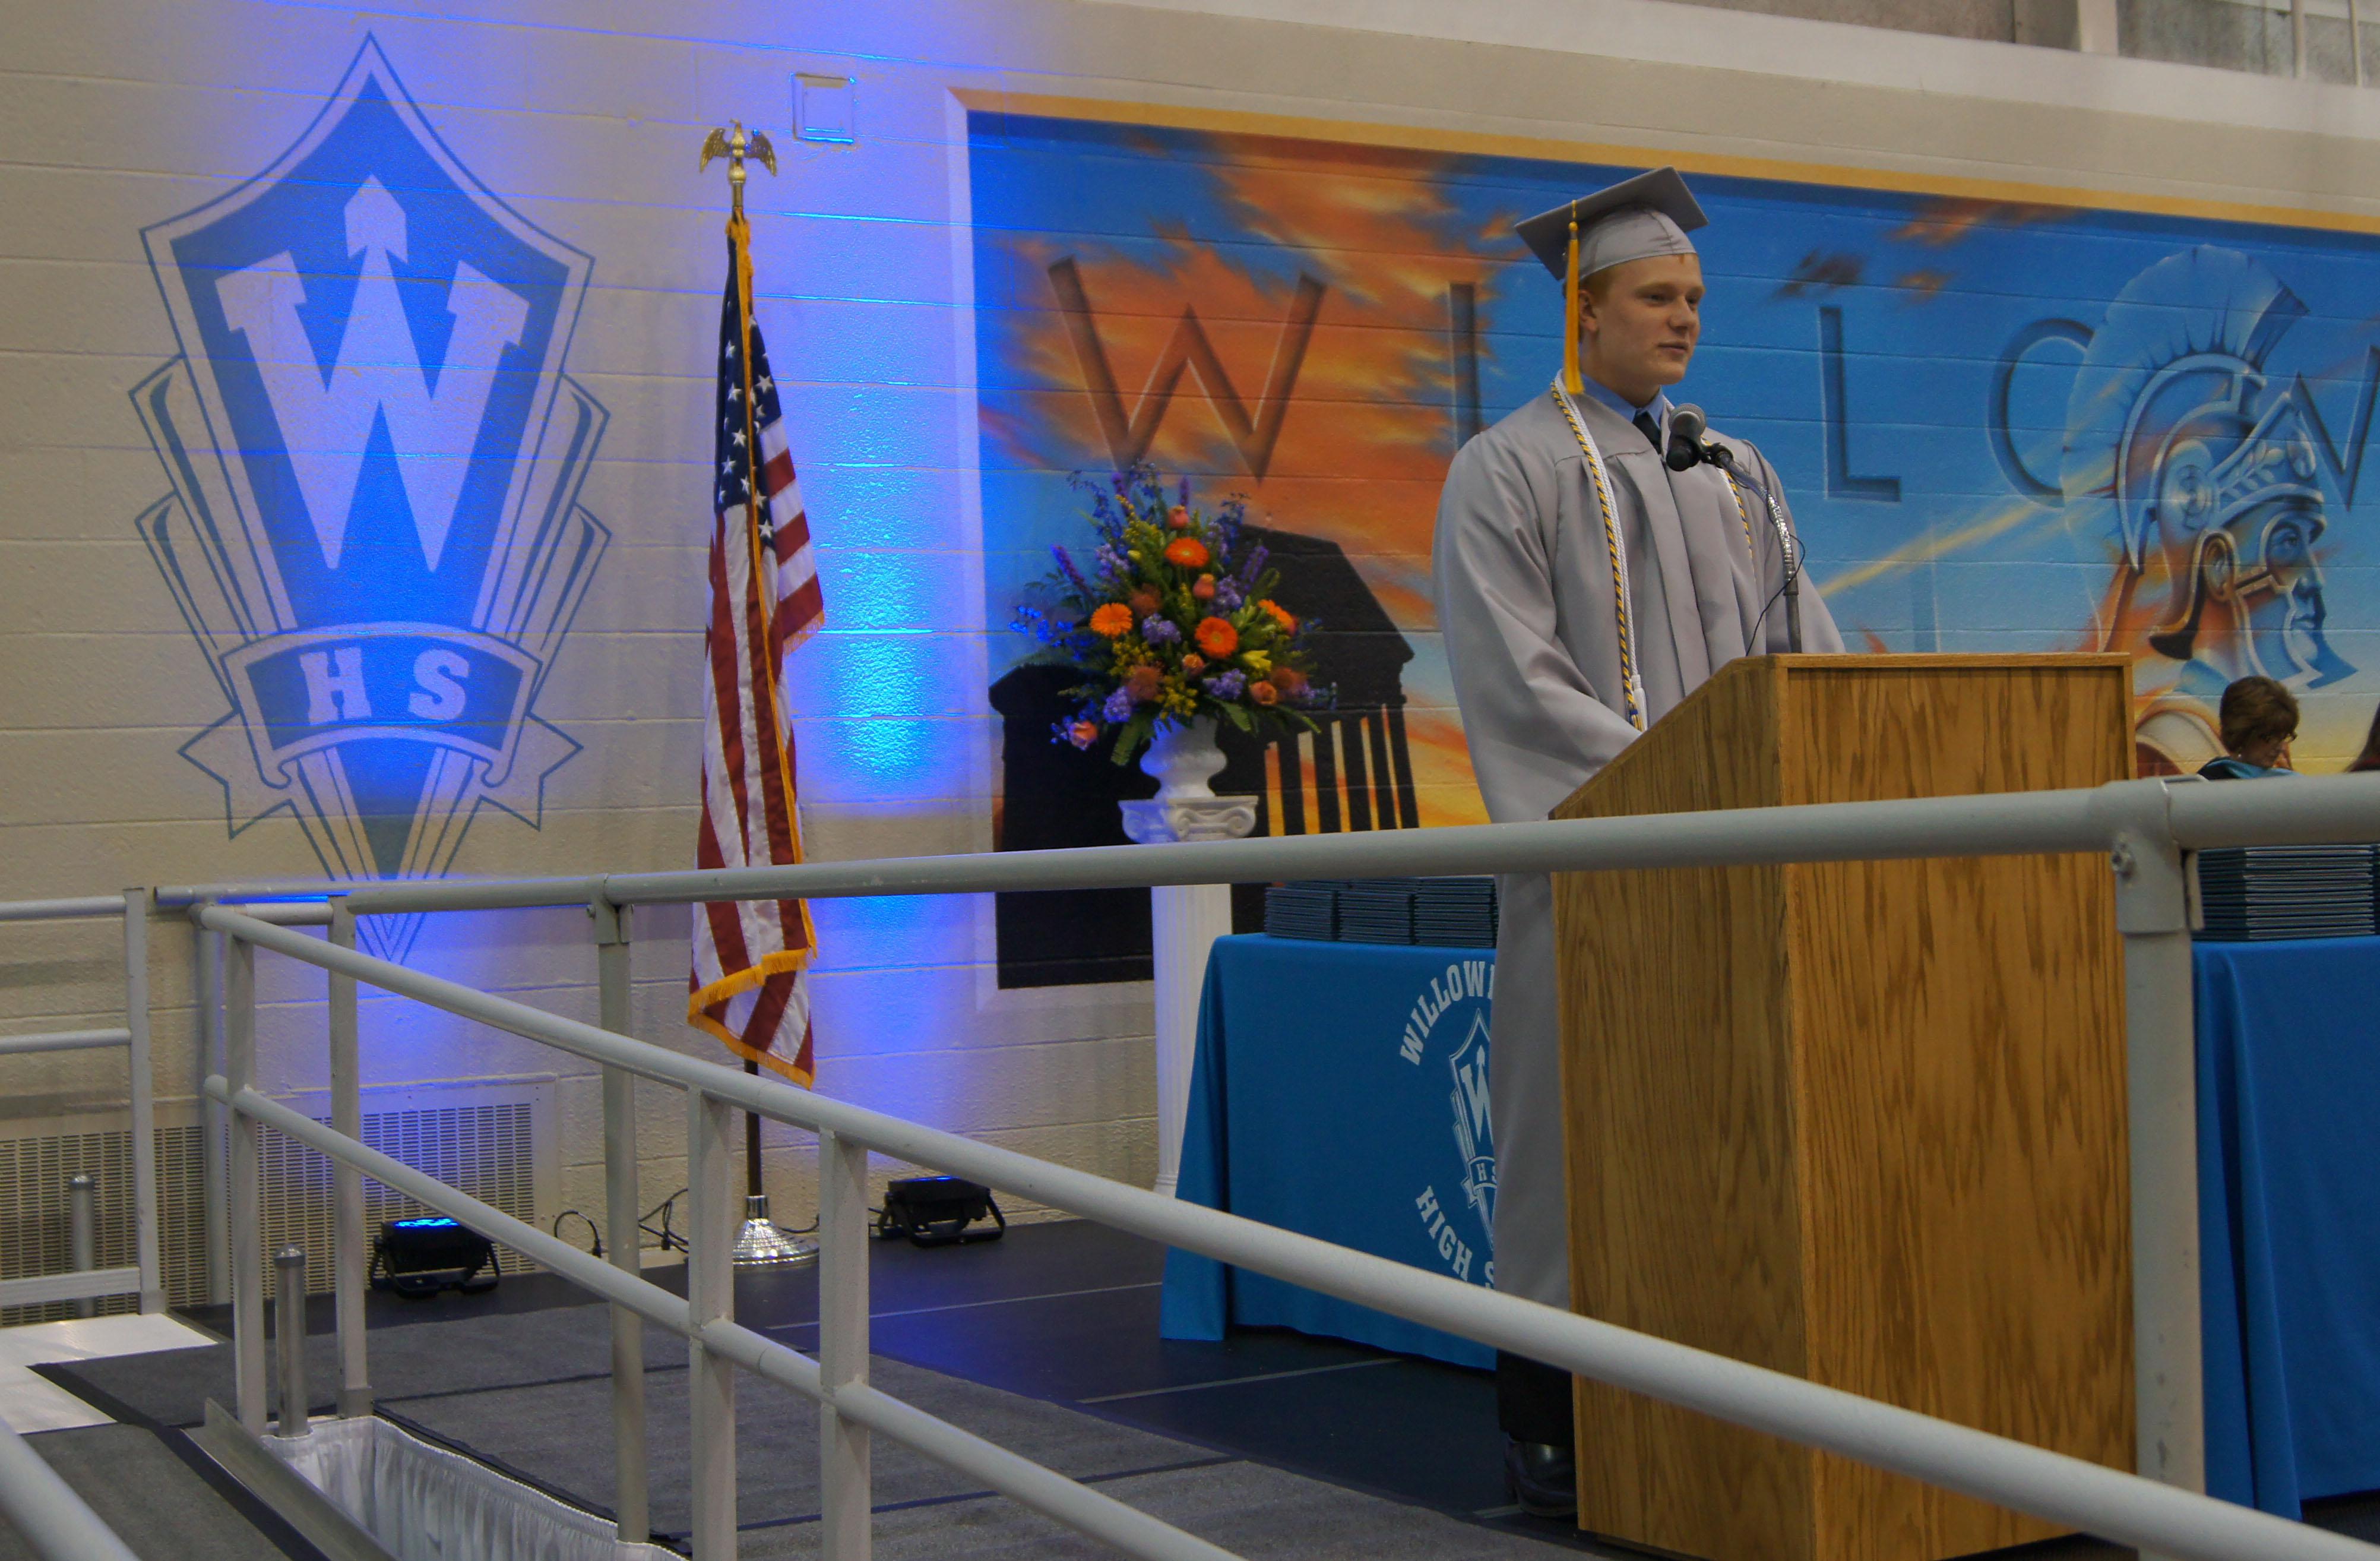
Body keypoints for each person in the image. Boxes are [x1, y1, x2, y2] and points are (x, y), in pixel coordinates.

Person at [1430, 166, 1844, 1518]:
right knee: (1576, 1133)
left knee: (1740, 1133)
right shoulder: (1507, 469)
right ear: (1584, 310)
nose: (1682, 320)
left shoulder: (1733, 473)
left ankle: (1736, 1397)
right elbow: (1516, 684)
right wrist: (1684, 790)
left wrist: (1821, 768)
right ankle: (1550, 1414)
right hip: (1600, 868)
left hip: (1747, 875)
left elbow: (1808, 654)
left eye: (1693, 300)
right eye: (1656, 296)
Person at [2199, 675, 2300, 779]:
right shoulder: (2208, 782)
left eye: (2283, 737)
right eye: (2269, 737)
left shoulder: (2290, 781)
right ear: (2243, 734)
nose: (2280, 748)